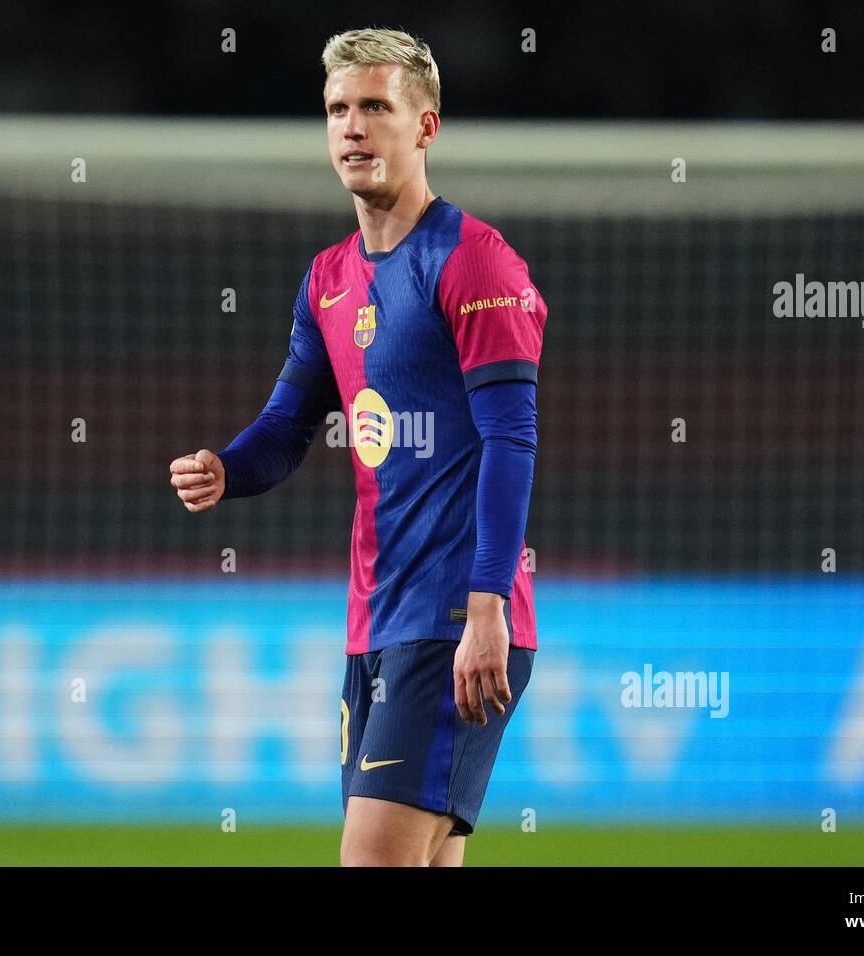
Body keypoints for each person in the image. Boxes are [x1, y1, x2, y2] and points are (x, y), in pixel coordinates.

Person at [170, 27, 547, 866]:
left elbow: (510, 440)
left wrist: (486, 606)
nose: (352, 127)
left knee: (370, 859)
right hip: (375, 620)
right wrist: (227, 469)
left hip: (455, 616)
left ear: (425, 127)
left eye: (376, 106)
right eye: (338, 108)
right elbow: (287, 427)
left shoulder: (474, 262)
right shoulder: (327, 280)